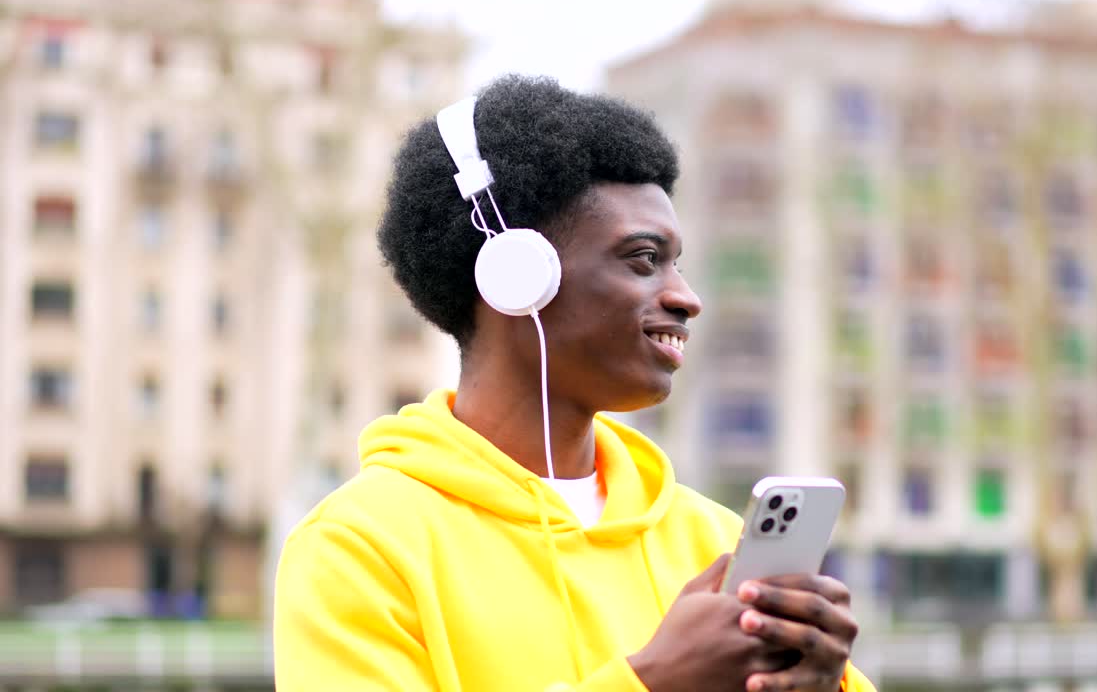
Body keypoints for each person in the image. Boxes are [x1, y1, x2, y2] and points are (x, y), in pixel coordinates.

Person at [273, 74, 875, 692]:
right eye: (644, 259)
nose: (686, 298)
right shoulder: (360, 547)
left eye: (678, 265)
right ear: (517, 278)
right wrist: (653, 681)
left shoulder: (716, 543)